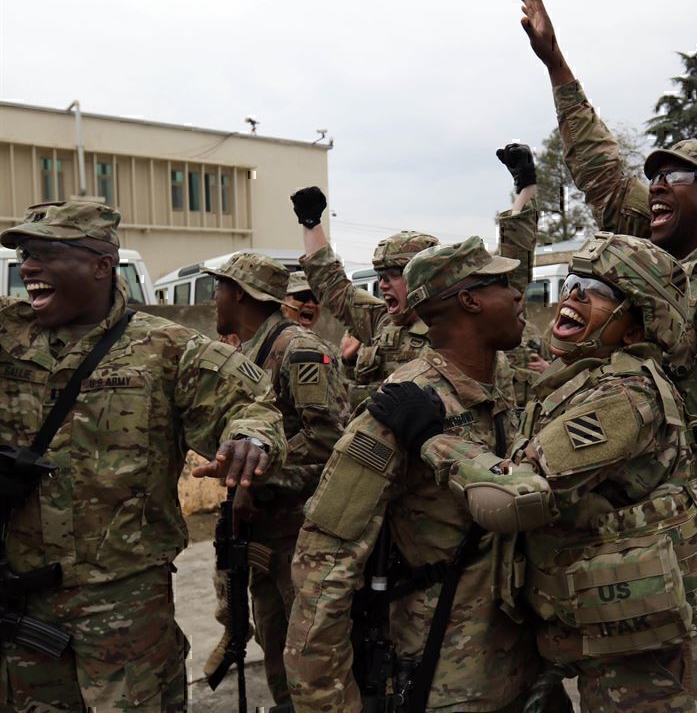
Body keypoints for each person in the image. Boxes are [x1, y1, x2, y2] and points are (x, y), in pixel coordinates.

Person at [516, 0, 697, 698]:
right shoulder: (649, 250)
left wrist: (606, 391)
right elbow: (601, 167)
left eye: (678, 180)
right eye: (656, 178)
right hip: (626, 498)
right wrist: (557, 66)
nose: (657, 187)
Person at [374, 232, 697, 711]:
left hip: (661, 675)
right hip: (624, 652)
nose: (575, 295)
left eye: (600, 290)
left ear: (635, 329)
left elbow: (512, 499)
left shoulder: (622, 399)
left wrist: (431, 439)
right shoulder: (578, 382)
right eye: (573, 281)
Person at [0, 201, 285, 710]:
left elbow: (253, 405)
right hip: (20, 603)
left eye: (46, 253)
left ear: (101, 265)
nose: (29, 267)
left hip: (124, 607)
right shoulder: (7, 337)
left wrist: (250, 439)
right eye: (25, 254)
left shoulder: (170, 350)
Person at [285, 236, 542, 711]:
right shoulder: (400, 406)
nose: (517, 295)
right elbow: (323, 565)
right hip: (451, 674)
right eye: (503, 284)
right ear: (469, 301)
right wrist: (325, 701)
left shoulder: (509, 382)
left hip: (529, 663)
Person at [202, 252, 349, 705]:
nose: (214, 298)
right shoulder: (246, 350)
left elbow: (330, 439)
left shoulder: (301, 349)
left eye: (220, 287)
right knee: (271, 639)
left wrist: (259, 471)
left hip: (299, 532)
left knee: (307, 653)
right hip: (262, 528)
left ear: (241, 294)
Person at [291, 144, 539, 411]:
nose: (384, 284)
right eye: (381, 276)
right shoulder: (381, 322)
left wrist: (525, 187)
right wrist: (311, 223)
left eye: (395, 275)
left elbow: (513, 267)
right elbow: (332, 285)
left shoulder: (464, 323)